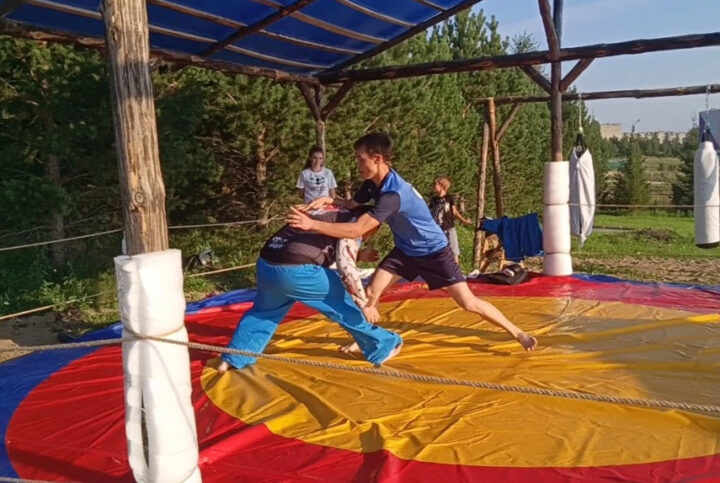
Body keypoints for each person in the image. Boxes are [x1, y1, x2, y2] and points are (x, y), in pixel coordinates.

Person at [287, 133, 537, 352]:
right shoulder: (372, 184)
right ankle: (369, 339)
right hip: (406, 251)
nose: (357, 164)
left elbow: (356, 230)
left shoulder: (393, 194)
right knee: (371, 293)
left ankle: (518, 333)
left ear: (377, 159)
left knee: (468, 302)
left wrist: (312, 225)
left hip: (434, 251)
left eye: (360, 159)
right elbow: (351, 204)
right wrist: (328, 200)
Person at [217, 207, 402, 372]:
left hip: (267, 266)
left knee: (263, 312)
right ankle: (383, 344)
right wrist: (363, 302)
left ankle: (235, 357)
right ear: (372, 225)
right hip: (297, 271)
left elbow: (315, 244)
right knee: (343, 305)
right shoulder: (354, 226)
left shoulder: (328, 210)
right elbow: (346, 268)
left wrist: (358, 255)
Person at [429, 175, 472, 265]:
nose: (434, 186)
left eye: (435, 184)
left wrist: (463, 220)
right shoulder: (434, 200)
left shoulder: (449, 198)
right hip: (437, 230)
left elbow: (454, 211)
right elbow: (430, 213)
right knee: (438, 251)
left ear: (442, 186)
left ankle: (456, 269)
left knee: (454, 251)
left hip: (449, 228)